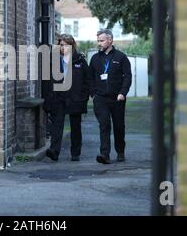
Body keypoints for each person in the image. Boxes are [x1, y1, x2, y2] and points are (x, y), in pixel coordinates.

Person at [89, 29, 132, 164]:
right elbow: (90, 78)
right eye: (98, 41)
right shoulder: (95, 58)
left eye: (101, 41)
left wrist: (122, 93)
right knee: (104, 125)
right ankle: (104, 154)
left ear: (110, 40)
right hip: (100, 98)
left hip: (117, 98)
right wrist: (93, 94)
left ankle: (120, 151)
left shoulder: (121, 57)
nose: (99, 43)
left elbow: (127, 77)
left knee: (119, 126)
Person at [45, 34, 90, 162]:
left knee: (75, 126)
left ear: (71, 46)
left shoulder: (80, 61)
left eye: (65, 45)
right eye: (60, 45)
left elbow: (87, 80)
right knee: (57, 125)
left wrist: (84, 96)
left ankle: (75, 153)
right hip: (59, 97)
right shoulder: (53, 60)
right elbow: (47, 81)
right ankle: (54, 151)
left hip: (75, 98)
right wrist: (49, 98)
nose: (62, 47)